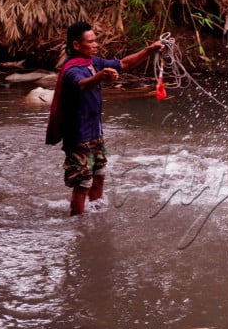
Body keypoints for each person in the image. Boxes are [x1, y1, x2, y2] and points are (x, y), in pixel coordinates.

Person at [46, 21, 163, 216]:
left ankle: (97, 216)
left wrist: (149, 50)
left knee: (99, 176)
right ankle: (79, 228)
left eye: (95, 41)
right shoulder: (72, 69)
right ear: (76, 45)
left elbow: (125, 63)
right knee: (82, 184)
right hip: (78, 136)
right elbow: (83, 84)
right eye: (90, 42)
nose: (95, 45)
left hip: (95, 132)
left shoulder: (95, 62)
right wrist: (99, 77)